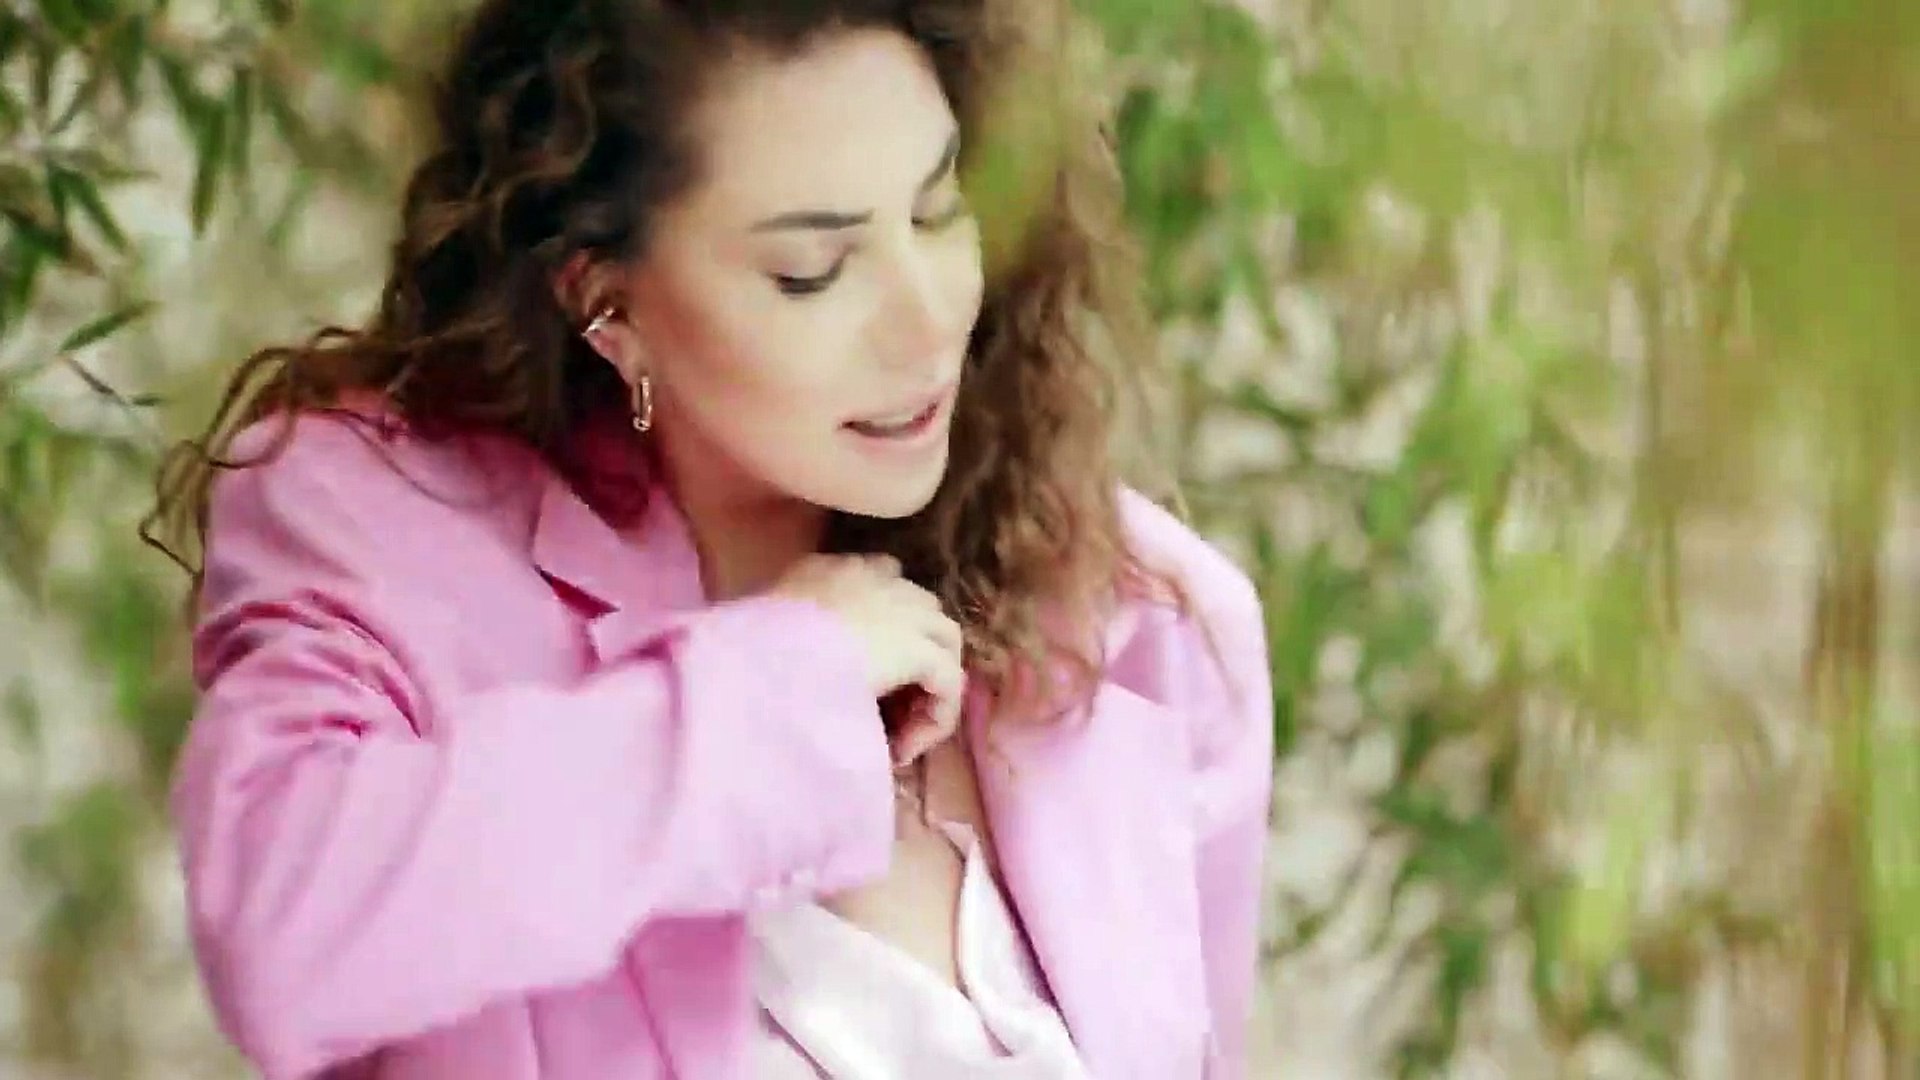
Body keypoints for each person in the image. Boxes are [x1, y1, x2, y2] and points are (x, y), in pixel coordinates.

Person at [146, 0, 1273, 1077]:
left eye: (938, 212)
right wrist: (777, 689)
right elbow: (280, 933)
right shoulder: (378, 524)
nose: (929, 318)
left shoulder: (1133, 614)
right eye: (811, 272)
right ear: (607, 304)